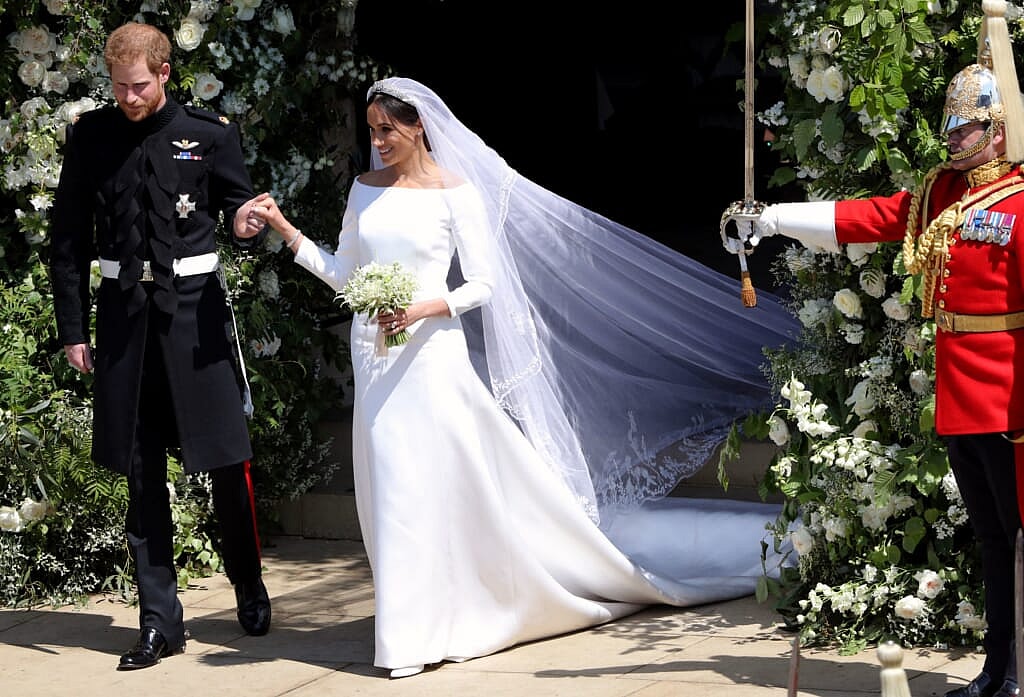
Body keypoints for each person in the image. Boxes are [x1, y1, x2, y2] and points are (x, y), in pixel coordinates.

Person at [253, 75, 799, 679]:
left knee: (427, 487)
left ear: (418, 128)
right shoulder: (363, 190)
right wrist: (286, 229)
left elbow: (483, 283)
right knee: (389, 488)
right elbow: (344, 274)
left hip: (431, 354)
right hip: (375, 357)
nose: (378, 141)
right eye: (372, 130)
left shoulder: (455, 193)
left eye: (388, 130)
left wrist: (423, 308)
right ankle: (411, 624)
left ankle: (429, 628)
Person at [732, 4, 1023, 696]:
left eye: (969, 129)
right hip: (961, 395)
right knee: (991, 541)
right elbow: (867, 218)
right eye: (952, 128)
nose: (956, 141)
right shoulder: (938, 192)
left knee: (1020, 544)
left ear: (999, 129)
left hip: (1012, 398)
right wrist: (771, 219)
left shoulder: (1018, 203)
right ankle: (998, 667)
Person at [48, 22, 272, 671]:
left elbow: (238, 212)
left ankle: (249, 586)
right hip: (126, 327)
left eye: (139, 86)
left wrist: (243, 222)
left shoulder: (209, 134)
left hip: (196, 325)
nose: (129, 97)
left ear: (165, 74)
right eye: (119, 86)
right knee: (142, 472)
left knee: (228, 462)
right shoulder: (91, 136)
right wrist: (74, 330)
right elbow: (67, 238)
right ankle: (158, 621)